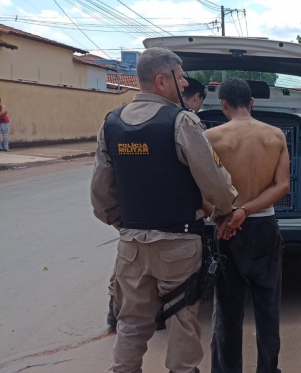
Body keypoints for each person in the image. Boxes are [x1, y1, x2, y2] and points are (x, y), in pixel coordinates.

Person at [91, 47, 237, 373]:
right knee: (182, 317)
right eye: (181, 76)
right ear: (161, 81)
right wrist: (225, 210)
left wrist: (123, 224)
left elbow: (101, 194)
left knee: (130, 323)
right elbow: (213, 181)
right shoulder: (181, 122)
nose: (185, 84)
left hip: (131, 247)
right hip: (178, 245)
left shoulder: (111, 124)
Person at [206, 78, 289, 373]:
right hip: (264, 228)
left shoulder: (211, 137)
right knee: (268, 309)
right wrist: (247, 210)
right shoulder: (276, 136)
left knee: (228, 312)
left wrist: (227, 216)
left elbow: (206, 189)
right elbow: (282, 186)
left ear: (223, 105)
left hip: (227, 231)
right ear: (252, 102)